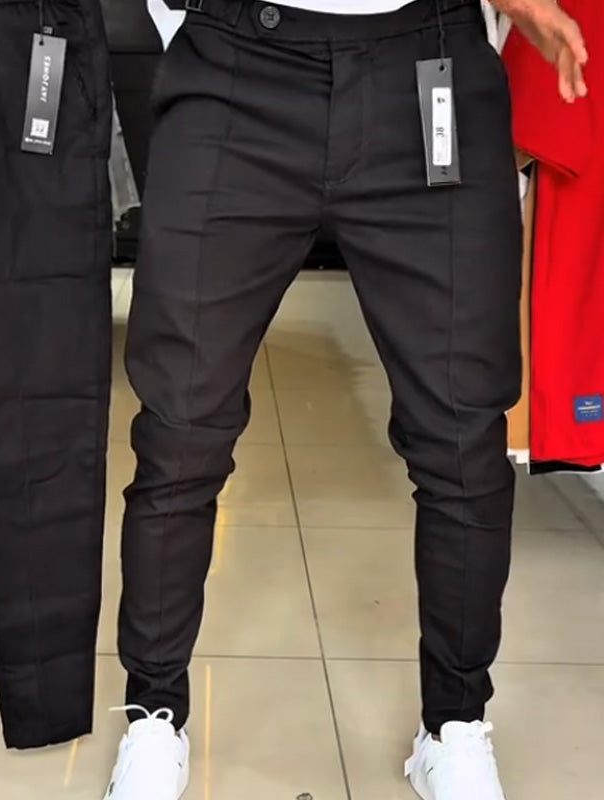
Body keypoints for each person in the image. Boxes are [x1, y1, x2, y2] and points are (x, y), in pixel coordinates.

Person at [104, 0, 587, 798]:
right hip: (235, 71)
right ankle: (153, 714)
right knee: (180, 430)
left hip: (430, 65)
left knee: (462, 435)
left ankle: (455, 725)